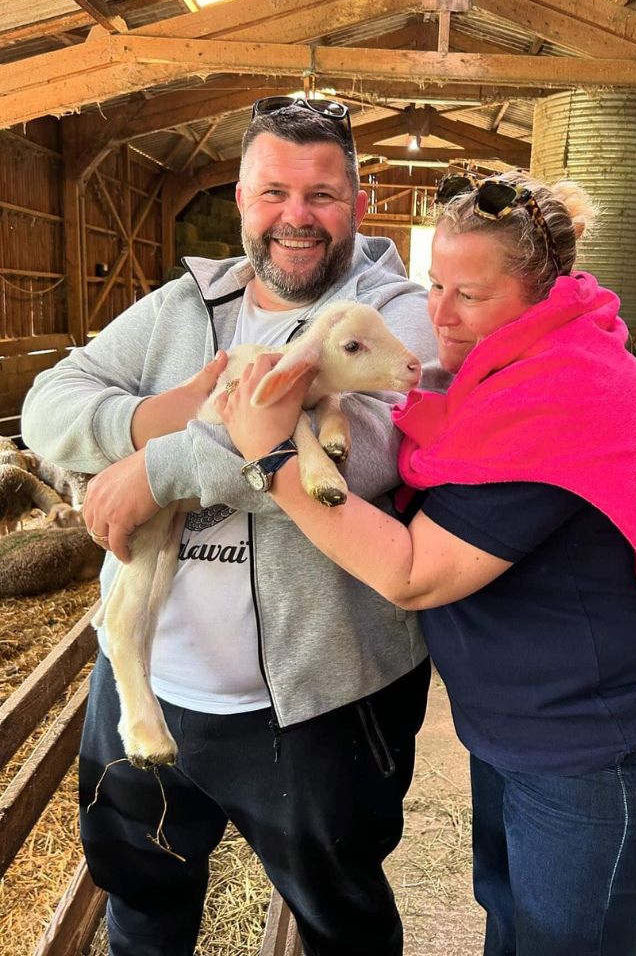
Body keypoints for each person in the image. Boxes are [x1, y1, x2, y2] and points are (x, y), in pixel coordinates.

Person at [216, 170, 636, 956]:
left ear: (539, 292)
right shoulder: (503, 366)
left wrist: (273, 456)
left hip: (598, 746)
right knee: (510, 920)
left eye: (470, 295)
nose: (438, 315)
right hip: (522, 724)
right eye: (435, 284)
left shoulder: (563, 392)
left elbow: (412, 572)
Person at [21, 97, 440, 956]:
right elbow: (47, 405)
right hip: (145, 683)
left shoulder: (395, 310)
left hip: (323, 702)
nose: (296, 216)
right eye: (273, 192)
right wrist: (151, 423)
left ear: (358, 202)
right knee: (142, 906)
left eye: (322, 194)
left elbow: (366, 456)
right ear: (243, 199)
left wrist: (158, 472)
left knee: (341, 922)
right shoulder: (182, 305)